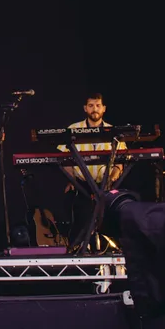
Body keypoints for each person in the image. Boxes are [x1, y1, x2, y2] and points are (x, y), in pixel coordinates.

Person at [58, 93, 126, 251]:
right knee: (78, 212)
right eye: (91, 106)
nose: (94, 109)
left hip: (106, 187)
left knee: (114, 214)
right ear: (85, 108)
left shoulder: (113, 132)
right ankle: (77, 251)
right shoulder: (73, 129)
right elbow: (64, 158)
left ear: (104, 108)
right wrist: (72, 179)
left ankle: (112, 250)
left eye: (97, 106)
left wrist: (111, 179)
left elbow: (121, 162)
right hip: (82, 186)